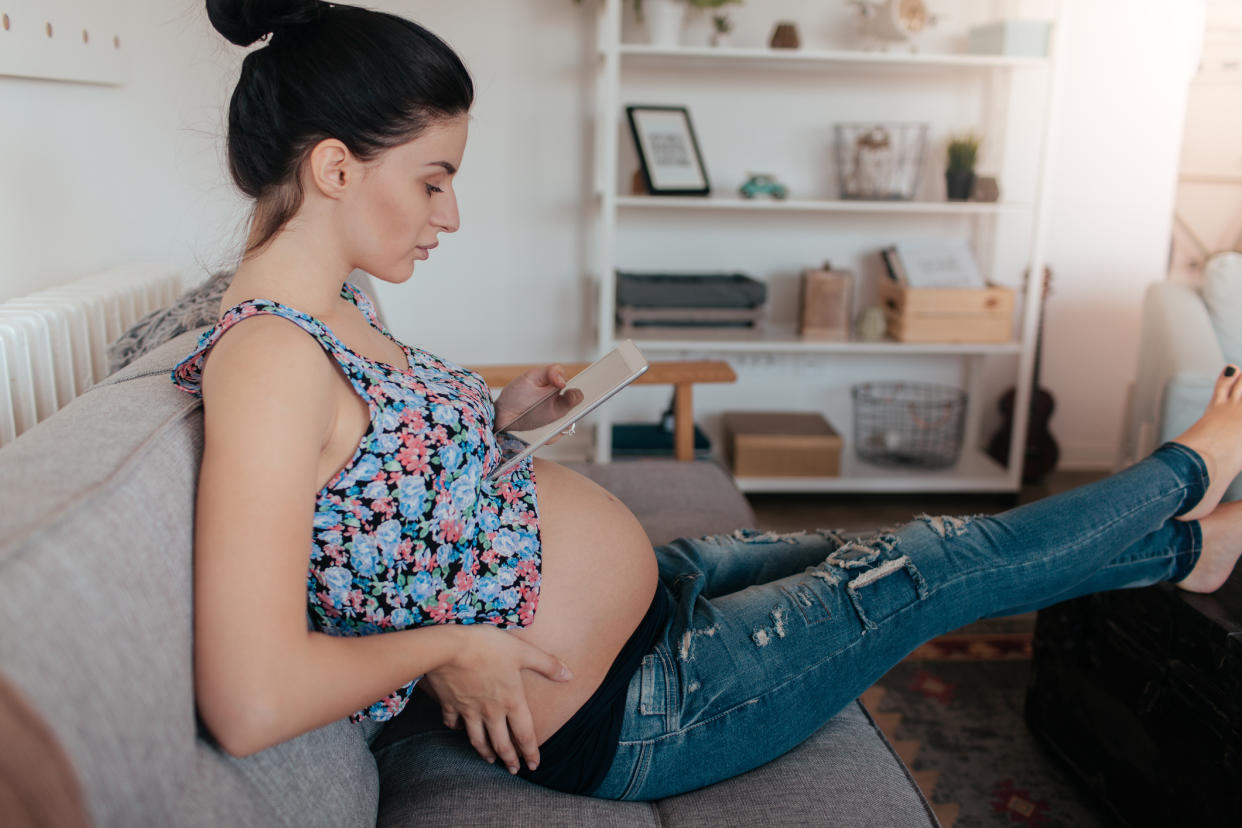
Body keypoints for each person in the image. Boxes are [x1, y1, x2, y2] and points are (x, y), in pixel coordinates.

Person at [174, 0, 1242, 802]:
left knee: (931, 540)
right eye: (434, 178)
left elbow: (370, 497)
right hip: (643, 706)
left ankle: (1195, 552)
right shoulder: (268, 359)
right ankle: (1198, 461)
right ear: (332, 169)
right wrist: (449, 651)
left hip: (650, 605)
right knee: (940, 564)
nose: (450, 214)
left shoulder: (333, 309)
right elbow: (251, 692)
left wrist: (499, 425)